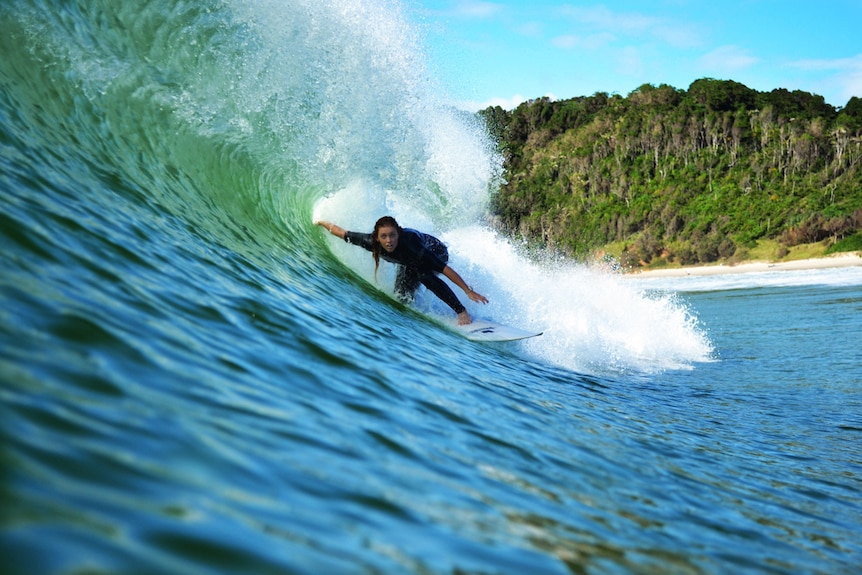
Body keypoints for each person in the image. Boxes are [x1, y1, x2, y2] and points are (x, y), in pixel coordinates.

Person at [315, 216, 488, 325]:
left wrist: (467, 290)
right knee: (401, 295)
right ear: (377, 237)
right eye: (384, 236)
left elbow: (444, 268)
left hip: (436, 251)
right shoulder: (371, 242)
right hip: (410, 262)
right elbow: (344, 234)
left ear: (398, 234)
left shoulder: (412, 245)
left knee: (424, 275)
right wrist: (321, 221)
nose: (389, 240)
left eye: (392, 235)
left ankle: (461, 311)